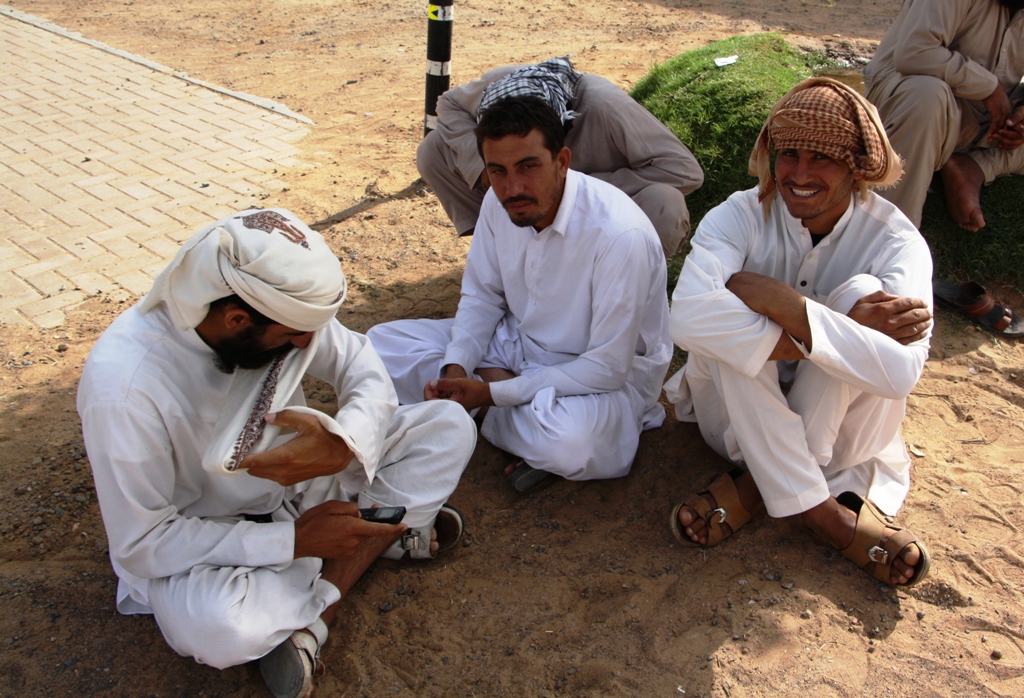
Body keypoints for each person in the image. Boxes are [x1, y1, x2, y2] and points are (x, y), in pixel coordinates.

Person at [77, 209, 475, 698]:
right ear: (236, 320)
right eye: (293, 338)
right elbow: (143, 543)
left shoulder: (276, 311)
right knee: (222, 630)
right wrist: (292, 542)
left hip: (300, 492)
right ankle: (357, 556)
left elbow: (358, 361)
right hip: (210, 545)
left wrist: (342, 442)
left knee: (447, 426)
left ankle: (316, 603)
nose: (308, 344)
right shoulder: (124, 390)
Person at [664, 78, 934, 587]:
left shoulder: (898, 242)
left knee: (858, 289)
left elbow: (900, 374)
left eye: (823, 159)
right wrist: (836, 332)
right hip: (733, 424)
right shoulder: (737, 216)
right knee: (734, 327)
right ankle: (825, 514)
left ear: (857, 167)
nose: (800, 174)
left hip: (847, 430)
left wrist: (791, 307)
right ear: (771, 154)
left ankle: (755, 487)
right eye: (788, 154)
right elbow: (686, 318)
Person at [369, 96, 672, 493]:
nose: (513, 187)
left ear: (562, 161)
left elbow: (607, 368)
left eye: (528, 167)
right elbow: (482, 297)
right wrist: (457, 367)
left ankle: (476, 409)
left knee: (575, 446)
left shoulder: (618, 235)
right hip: (514, 344)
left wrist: (494, 392)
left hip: (594, 379)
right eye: (498, 171)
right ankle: (481, 403)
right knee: (379, 346)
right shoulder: (502, 204)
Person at [418, 56, 705, 257]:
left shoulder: (603, 106)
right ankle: (501, 251)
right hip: (536, 202)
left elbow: (685, 171)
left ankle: (629, 279)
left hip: (602, 217)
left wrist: (579, 188)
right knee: (433, 149)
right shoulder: (497, 86)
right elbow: (448, 104)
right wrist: (483, 168)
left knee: (665, 204)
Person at [864, 0, 1024, 231]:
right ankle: (887, 244)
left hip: (984, 122)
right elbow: (915, 51)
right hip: (909, 105)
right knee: (927, 96)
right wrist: (989, 88)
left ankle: (973, 166)